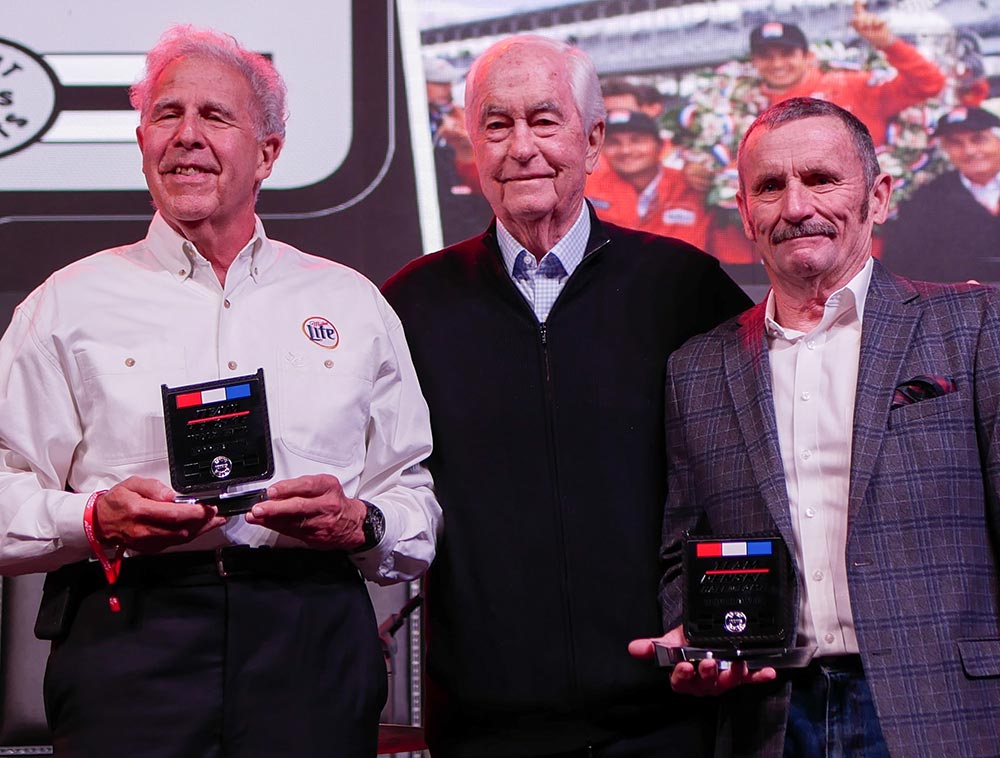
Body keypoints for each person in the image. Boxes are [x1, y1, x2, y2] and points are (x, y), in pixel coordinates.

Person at [0, 25, 440, 757]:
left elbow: (412, 497)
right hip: (132, 637)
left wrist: (358, 524)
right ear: (141, 139)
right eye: (168, 115)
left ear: (268, 152)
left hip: (311, 637)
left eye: (215, 116)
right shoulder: (65, 304)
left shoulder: (351, 302)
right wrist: (93, 517)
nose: (187, 137)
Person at [383, 34, 752, 758]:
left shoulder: (683, 286)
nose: (522, 147)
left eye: (544, 121)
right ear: (472, 150)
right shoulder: (411, 304)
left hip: (668, 717)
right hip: (487, 727)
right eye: (497, 125)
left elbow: (749, 474)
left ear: (592, 141)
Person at [630, 97, 1000, 757]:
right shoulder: (696, 370)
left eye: (821, 179)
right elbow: (681, 554)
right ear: (744, 213)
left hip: (946, 712)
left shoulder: (974, 326)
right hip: (770, 720)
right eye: (770, 187)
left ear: (878, 197)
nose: (796, 206)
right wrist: (693, 637)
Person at [686, 3, 946, 264]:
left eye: (787, 53)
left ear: (807, 56)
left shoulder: (852, 86)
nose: (777, 63)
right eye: (766, 56)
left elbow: (929, 83)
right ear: (754, 62)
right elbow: (715, 161)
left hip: (844, 240)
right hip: (757, 247)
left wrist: (888, 43)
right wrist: (701, 170)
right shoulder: (730, 105)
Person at [884, 106, 1000, 283]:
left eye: (979, 139)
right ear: (946, 149)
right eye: (956, 143)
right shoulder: (927, 200)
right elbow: (902, 269)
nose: (969, 150)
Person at [586, 109, 710, 249]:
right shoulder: (586, 187)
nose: (625, 150)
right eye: (614, 143)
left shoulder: (693, 184)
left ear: (660, 145)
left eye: (637, 140)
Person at [425, 56, 494, 244]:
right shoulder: (418, 123)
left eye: (448, 83)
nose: (447, 90)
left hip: (464, 197)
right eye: (439, 84)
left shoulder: (458, 115)